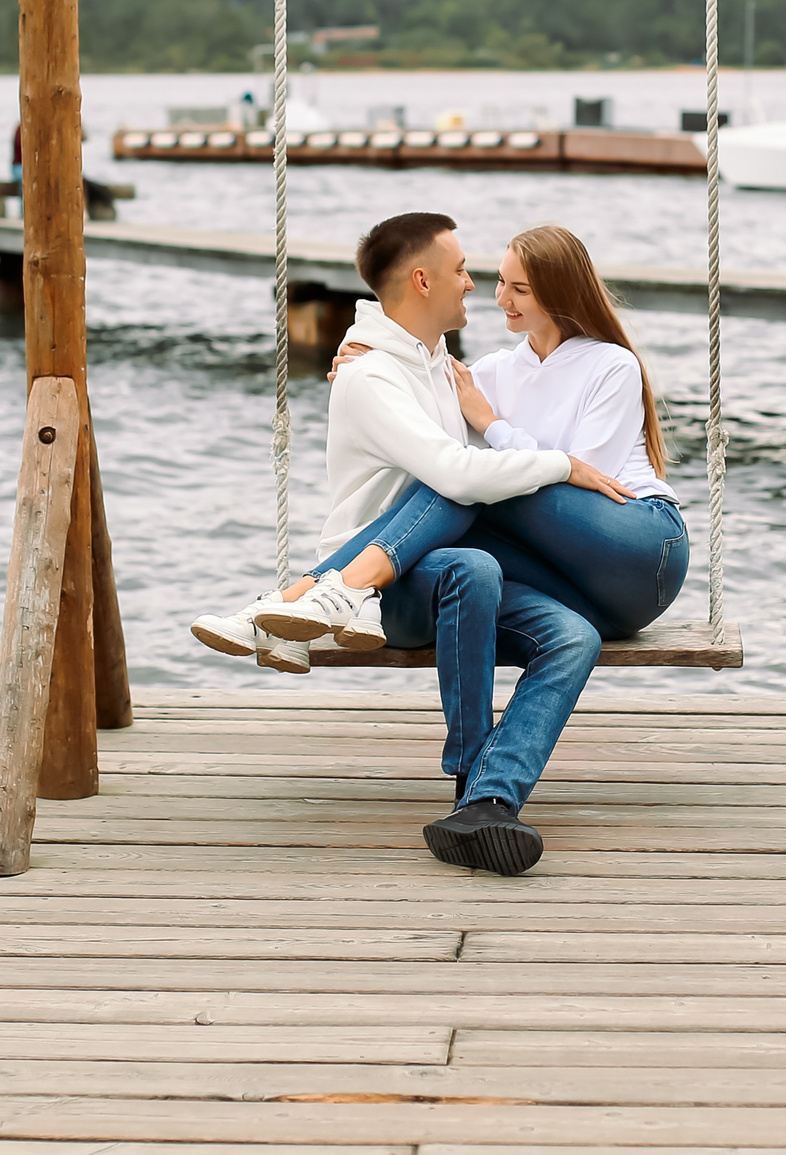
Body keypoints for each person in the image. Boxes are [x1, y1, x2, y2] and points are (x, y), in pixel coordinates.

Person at [188, 214, 678, 874]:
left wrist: (494, 425)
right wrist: (367, 359)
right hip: (578, 589)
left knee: (458, 480)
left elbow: (583, 476)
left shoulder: (609, 365)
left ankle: (315, 592)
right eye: (496, 281)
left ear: (561, 294)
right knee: (565, 631)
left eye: (519, 288)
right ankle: (487, 802)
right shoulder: (489, 369)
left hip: (637, 549)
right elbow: (421, 373)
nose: (496, 296)